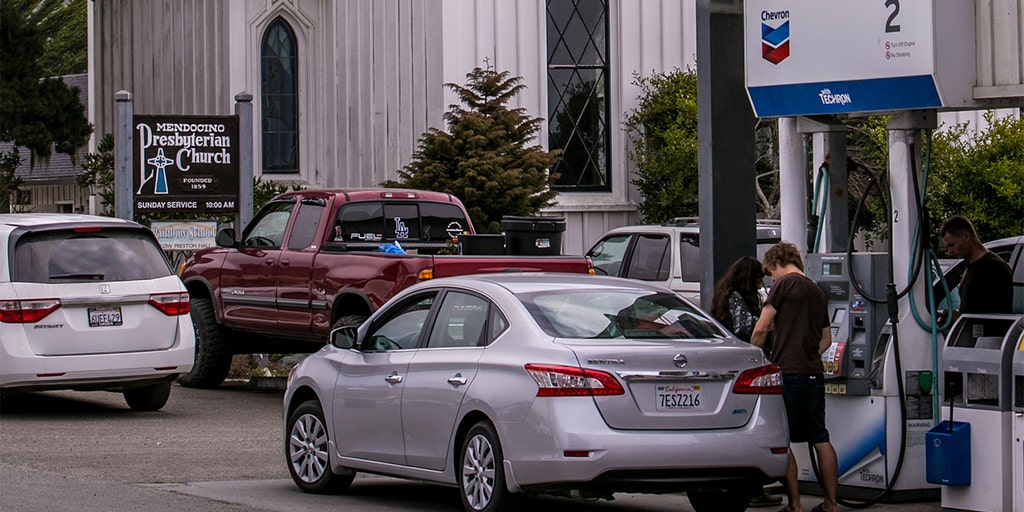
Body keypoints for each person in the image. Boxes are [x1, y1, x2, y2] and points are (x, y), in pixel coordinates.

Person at [751, 242, 839, 512]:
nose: (771, 278)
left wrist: (752, 356)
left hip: (786, 373)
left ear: (777, 263)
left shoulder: (784, 285)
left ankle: (795, 504)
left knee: (783, 438)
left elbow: (762, 326)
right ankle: (831, 504)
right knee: (820, 437)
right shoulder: (816, 289)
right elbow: (827, 338)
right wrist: (808, 353)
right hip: (812, 373)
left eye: (771, 272)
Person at [710, 256, 783, 508]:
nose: (760, 283)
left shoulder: (723, 293)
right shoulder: (737, 297)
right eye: (757, 278)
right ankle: (753, 490)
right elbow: (744, 328)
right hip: (744, 362)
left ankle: (750, 489)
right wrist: (768, 323)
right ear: (748, 278)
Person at [938, 215, 1013, 322]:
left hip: (989, 337)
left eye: (952, 245)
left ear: (966, 236)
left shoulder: (995, 268)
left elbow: (995, 317)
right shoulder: (969, 267)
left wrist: (960, 319)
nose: (950, 251)